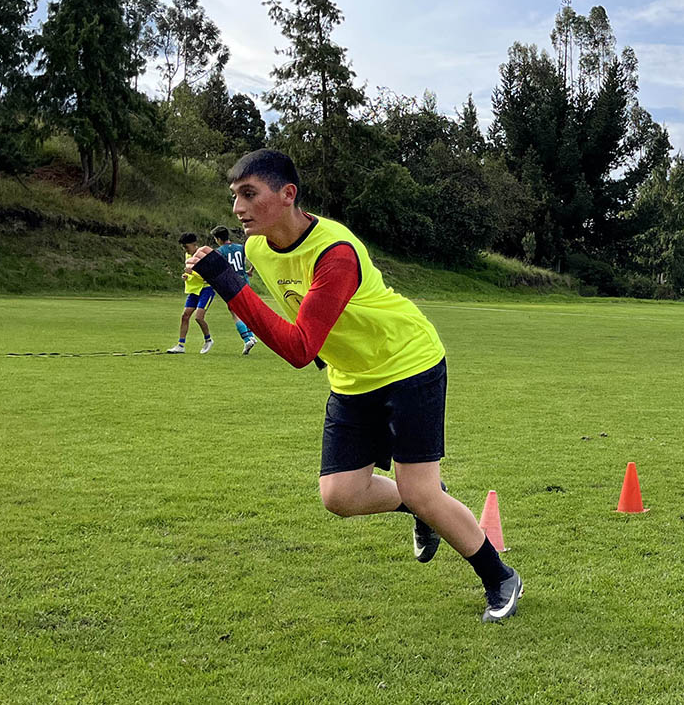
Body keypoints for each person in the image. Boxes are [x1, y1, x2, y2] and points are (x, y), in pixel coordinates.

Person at [184, 149, 522, 623]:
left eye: (248, 194)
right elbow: (299, 317)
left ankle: (499, 576)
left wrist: (228, 285)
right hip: (352, 378)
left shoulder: (336, 253)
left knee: (421, 488)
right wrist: (237, 285)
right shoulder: (259, 248)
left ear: (287, 195)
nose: (237, 208)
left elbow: (299, 348)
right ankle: (424, 507)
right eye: (234, 196)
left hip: (409, 364)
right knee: (339, 495)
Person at [211, 225, 258, 355]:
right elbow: (255, 257)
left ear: (218, 239)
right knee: (246, 310)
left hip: (231, 283)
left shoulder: (220, 251)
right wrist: (250, 270)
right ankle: (251, 335)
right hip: (244, 281)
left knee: (234, 312)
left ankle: (247, 339)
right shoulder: (241, 247)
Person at [167, 232, 214, 354]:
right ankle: (180, 345)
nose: (186, 250)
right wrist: (186, 276)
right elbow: (191, 272)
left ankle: (208, 340)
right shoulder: (188, 255)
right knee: (185, 316)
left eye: (187, 247)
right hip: (194, 290)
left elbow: (208, 275)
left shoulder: (203, 255)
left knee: (199, 317)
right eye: (184, 248)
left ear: (194, 244)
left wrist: (192, 273)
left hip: (206, 289)